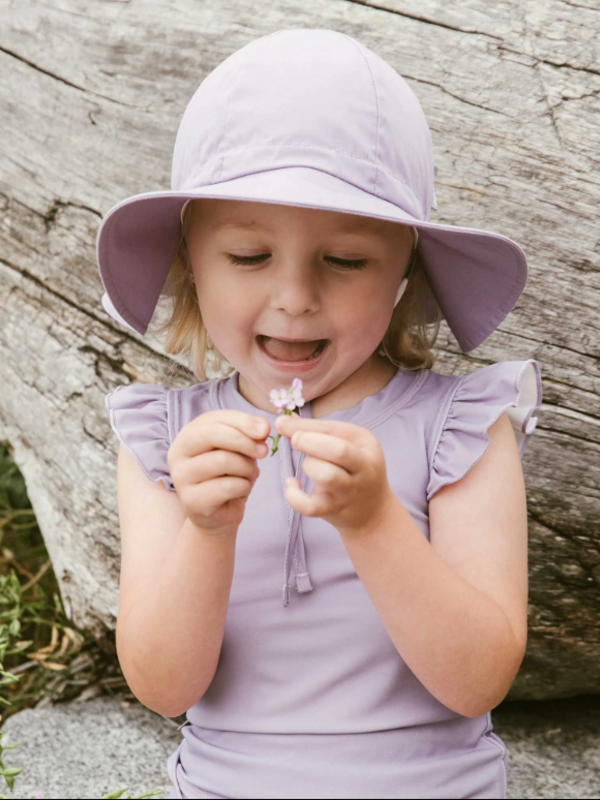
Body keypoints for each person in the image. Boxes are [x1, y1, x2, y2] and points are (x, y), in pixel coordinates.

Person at [97, 29, 543, 800]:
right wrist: (209, 531)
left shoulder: (462, 427)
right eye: (248, 256)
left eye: (345, 260)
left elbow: (478, 681)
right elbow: (164, 688)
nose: (296, 296)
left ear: (406, 267)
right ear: (190, 267)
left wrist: (374, 524)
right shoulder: (164, 442)